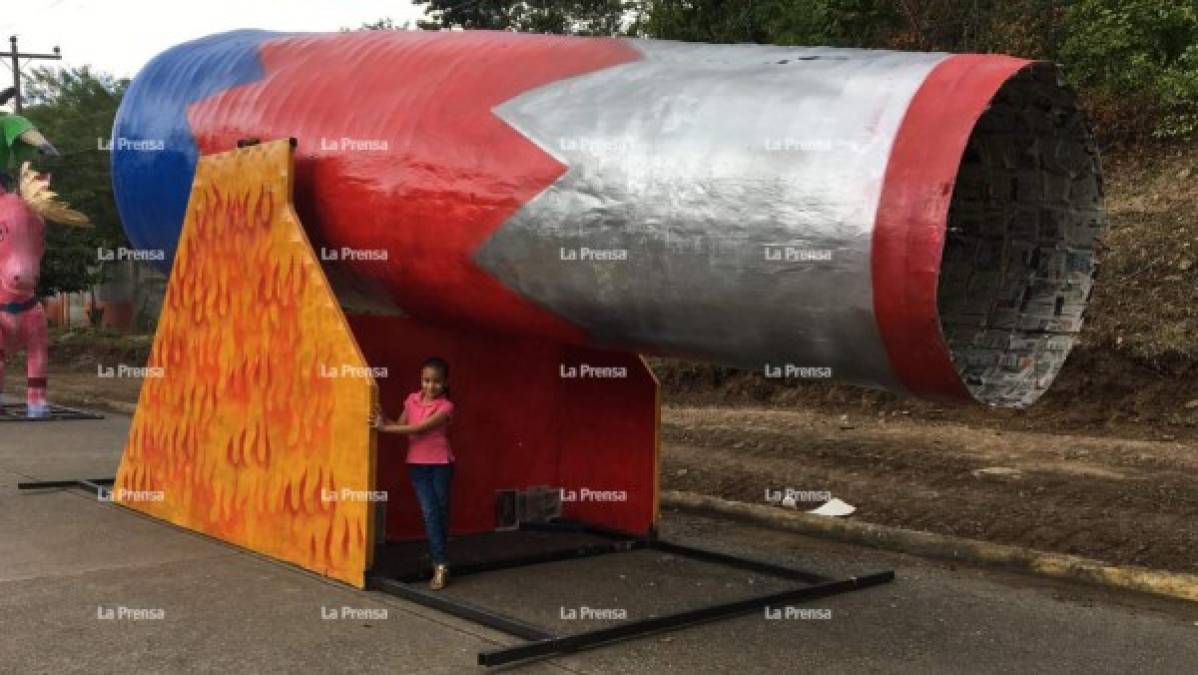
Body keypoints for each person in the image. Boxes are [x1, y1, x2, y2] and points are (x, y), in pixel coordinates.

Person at [373, 357, 456, 590]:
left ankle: (438, 557)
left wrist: (386, 427)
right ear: (421, 379)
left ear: (445, 382)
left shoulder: (446, 406)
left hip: (441, 465)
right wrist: (383, 417)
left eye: (436, 382)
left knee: (440, 513)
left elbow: (420, 429)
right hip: (417, 465)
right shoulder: (411, 400)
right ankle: (441, 565)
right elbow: (399, 424)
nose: (430, 386)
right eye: (426, 380)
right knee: (430, 513)